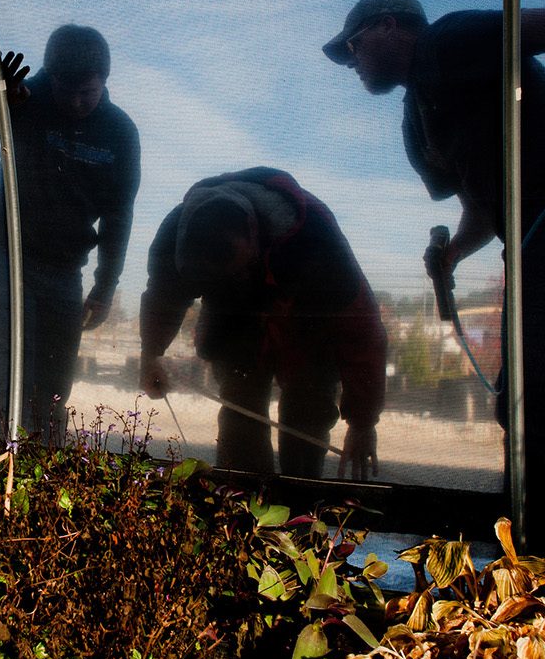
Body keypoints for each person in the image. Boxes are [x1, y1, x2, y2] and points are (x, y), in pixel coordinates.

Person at [323, 0, 545, 572]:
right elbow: (482, 207)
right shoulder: (419, 123)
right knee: (524, 401)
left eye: (352, 47)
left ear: (387, 26)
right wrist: (452, 253)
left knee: (542, 398)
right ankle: (541, 566)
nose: (352, 64)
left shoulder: (445, 42)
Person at [139, 167, 386, 479]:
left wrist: (363, 423)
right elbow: (162, 302)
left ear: (255, 234)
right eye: (227, 278)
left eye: (244, 270)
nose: (242, 282)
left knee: (307, 415)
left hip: (306, 324)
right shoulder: (173, 244)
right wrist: (151, 354)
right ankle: (242, 512)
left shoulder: (319, 245)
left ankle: (299, 503)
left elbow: (363, 335)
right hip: (232, 322)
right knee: (240, 416)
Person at [0, 25, 141, 441]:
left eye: (88, 92)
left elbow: (119, 215)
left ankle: (43, 474)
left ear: (104, 81)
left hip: (65, 268)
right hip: (5, 251)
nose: (76, 102)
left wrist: (105, 287)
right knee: (11, 372)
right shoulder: (26, 98)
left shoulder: (120, 132)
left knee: (53, 386)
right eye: (66, 90)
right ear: (51, 76)